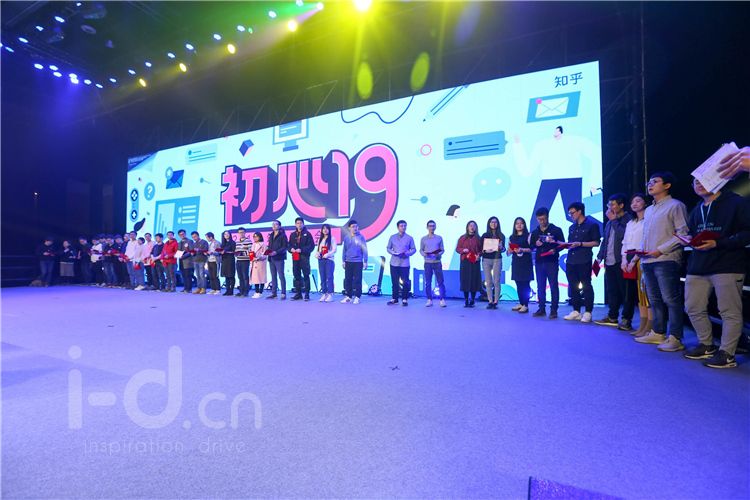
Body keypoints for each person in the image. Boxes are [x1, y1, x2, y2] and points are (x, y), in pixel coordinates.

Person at [682, 178, 750, 369]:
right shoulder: (697, 208)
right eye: (694, 182)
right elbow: (694, 233)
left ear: (716, 180)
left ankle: (727, 354)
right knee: (692, 307)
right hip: (698, 265)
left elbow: (747, 233)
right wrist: (688, 239)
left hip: (728, 264)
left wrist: (718, 243)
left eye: (703, 179)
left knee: (729, 311)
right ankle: (706, 344)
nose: (698, 184)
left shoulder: (736, 202)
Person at [635, 171, 689, 352]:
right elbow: (646, 235)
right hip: (647, 260)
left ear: (667, 185)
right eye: (649, 182)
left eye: (655, 181)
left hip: (666, 259)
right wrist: (640, 254)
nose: (650, 184)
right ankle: (658, 332)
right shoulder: (649, 210)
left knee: (671, 299)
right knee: (654, 299)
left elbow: (683, 234)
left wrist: (660, 250)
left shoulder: (676, 205)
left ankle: (675, 337)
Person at [594, 194, 633, 329]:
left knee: (625, 292)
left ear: (621, 205)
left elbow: (624, 236)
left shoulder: (629, 219)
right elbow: (605, 240)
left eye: (613, 204)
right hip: (609, 260)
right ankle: (612, 316)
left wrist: (614, 220)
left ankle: (626, 319)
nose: (610, 207)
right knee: (612, 290)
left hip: (622, 261)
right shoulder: (610, 222)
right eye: (608, 205)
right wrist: (599, 257)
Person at [562, 202, 601, 323]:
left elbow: (596, 242)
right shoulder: (572, 227)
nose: (571, 215)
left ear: (580, 211)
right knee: (573, 285)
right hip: (571, 260)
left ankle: (588, 312)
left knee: (586, 285)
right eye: (569, 213)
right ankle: (576, 311)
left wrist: (581, 244)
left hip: (584, 259)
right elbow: (570, 243)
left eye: (572, 213)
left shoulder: (592, 225)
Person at [620, 193, 652, 337]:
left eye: (638, 201)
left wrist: (634, 261)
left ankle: (649, 326)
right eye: (633, 202)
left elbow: (645, 241)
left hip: (642, 257)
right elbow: (625, 242)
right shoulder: (631, 222)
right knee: (637, 294)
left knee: (645, 293)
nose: (635, 204)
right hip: (629, 257)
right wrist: (624, 259)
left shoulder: (648, 220)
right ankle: (642, 325)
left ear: (645, 203)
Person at [529, 207, 565, 318]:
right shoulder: (535, 232)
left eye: (544, 219)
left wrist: (555, 248)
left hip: (552, 261)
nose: (542, 221)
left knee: (553, 285)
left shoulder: (556, 230)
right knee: (540, 286)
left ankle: (554, 310)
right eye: (540, 219)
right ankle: (541, 308)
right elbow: (531, 246)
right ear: (537, 219)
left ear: (548, 217)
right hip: (539, 262)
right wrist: (536, 244)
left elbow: (563, 244)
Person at [386, 220, 417, 306]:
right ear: (398, 227)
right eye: (401, 226)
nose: (403, 227)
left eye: (404, 226)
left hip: (405, 263)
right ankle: (394, 299)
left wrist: (407, 253)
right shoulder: (392, 237)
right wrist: (393, 253)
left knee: (405, 282)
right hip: (394, 263)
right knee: (394, 282)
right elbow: (388, 248)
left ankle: (404, 299)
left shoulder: (409, 238)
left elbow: (414, 249)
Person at [507, 217, 533, 313]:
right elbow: (508, 252)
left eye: (521, 223)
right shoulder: (511, 237)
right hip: (516, 262)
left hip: (526, 262)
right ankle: (521, 303)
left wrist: (522, 249)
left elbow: (532, 249)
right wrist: (509, 251)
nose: (519, 225)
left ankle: (526, 304)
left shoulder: (529, 235)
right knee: (518, 283)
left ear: (524, 225)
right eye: (517, 223)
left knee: (525, 283)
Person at [480, 216, 506, 309]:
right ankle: (490, 301)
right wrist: (485, 250)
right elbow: (481, 248)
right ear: (489, 223)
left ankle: (496, 301)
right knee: (488, 281)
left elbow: (503, 249)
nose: (493, 224)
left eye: (495, 222)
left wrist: (501, 247)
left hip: (497, 259)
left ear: (498, 224)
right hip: (486, 259)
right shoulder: (484, 235)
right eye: (491, 222)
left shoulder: (501, 235)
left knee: (497, 281)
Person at [420, 220, 447, 308]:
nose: (431, 227)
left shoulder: (439, 238)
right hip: (427, 263)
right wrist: (424, 254)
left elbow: (442, 250)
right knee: (428, 282)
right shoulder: (423, 239)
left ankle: (442, 299)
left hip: (437, 262)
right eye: (430, 226)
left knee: (440, 281)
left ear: (435, 227)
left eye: (433, 226)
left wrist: (438, 254)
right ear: (427, 227)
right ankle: (429, 299)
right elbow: (421, 250)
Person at [456, 220, 482, 308]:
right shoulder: (462, 238)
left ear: (476, 228)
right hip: (465, 261)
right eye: (470, 225)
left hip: (475, 261)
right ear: (467, 227)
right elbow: (457, 249)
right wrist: (463, 250)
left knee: (474, 280)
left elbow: (482, 250)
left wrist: (479, 255)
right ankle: (466, 299)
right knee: (465, 280)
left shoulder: (479, 238)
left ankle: (473, 299)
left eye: (474, 225)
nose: (472, 227)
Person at [341, 220, 368, 304]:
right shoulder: (346, 238)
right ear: (349, 228)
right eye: (353, 227)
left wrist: (365, 261)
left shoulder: (361, 237)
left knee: (357, 280)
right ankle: (348, 296)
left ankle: (357, 296)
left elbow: (365, 250)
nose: (355, 228)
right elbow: (344, 250)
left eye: (356, 226)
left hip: (358, 262)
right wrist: (343, 260)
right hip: (348, 261)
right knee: (348, 280)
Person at [288, 217, 315, 301]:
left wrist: (302, 250)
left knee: (306, 275)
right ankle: (298, 294)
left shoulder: (307, 234)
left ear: (303, 224)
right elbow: (289, 245)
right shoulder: (293, 234)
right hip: (295, 257)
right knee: (296, 276)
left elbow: (311, 246)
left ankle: (307, 294)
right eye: (297, 223)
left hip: (304, 257)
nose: (299, 225)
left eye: (300, 223)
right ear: (295, 225)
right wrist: (291, 249)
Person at [266, 220, 288, 300]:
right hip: (271, 258)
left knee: (281, 275)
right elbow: (270, 246)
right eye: (273, 224)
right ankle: (274, 293)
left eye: (276, 224)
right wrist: (267, 251)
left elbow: (285, 247)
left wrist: (276, 252)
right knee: (273, 276)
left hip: (279, 258)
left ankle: (283, 293)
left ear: (279, 226)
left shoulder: (283, 235)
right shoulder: (271, 235)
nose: (274, 226)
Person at [315, 224, 337, 302]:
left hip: (329, 260)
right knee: (322, 277)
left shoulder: (332, 238)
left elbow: (334, 250)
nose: (325, 230)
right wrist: (317, 254)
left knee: (329, 277)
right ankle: (324, 293)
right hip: (321, 260)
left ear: (329, 230)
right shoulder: (320, 239)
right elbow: (318, 250)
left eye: (326, 228)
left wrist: (327, 254)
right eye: (323, 228)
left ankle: (330, 294)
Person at [249, 232, 268, 298]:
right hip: (254, 263)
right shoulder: (253, 245)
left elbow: (265, 255)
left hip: (261, 263)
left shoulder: (263, 245)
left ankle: (260, 292)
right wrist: (251, 257)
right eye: (254, 237)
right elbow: (251, 253)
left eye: (256, 236)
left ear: (260, 237)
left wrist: (258, 258)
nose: (255, 238)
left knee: (261, 278)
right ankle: (256, 291)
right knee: (255, 278)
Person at [234, 227, 251, 297]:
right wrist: (236, 253)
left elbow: (250, 251)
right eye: (240, 232)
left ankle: (246, 292)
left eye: (242, 232)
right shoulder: (237, 242)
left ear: (245, 233)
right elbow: (236, 250)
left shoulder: (248, 241)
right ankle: (241, 291)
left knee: (245, 276)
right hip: (238, 260)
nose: (241, 234)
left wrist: (243, 253)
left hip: (245, 260)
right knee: (240, 276)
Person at [220, 231, 236, 296]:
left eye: (227, 234)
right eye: (225, 234)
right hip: (224, 260)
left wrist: (226, 251)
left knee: (231, 275)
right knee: (226, 276)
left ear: (230, 235)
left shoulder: (233, 242)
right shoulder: (223, 244)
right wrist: (220, 252)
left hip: (230, 260)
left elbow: (234, 251)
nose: (226, 235)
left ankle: (231, 291)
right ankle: (227, 290)